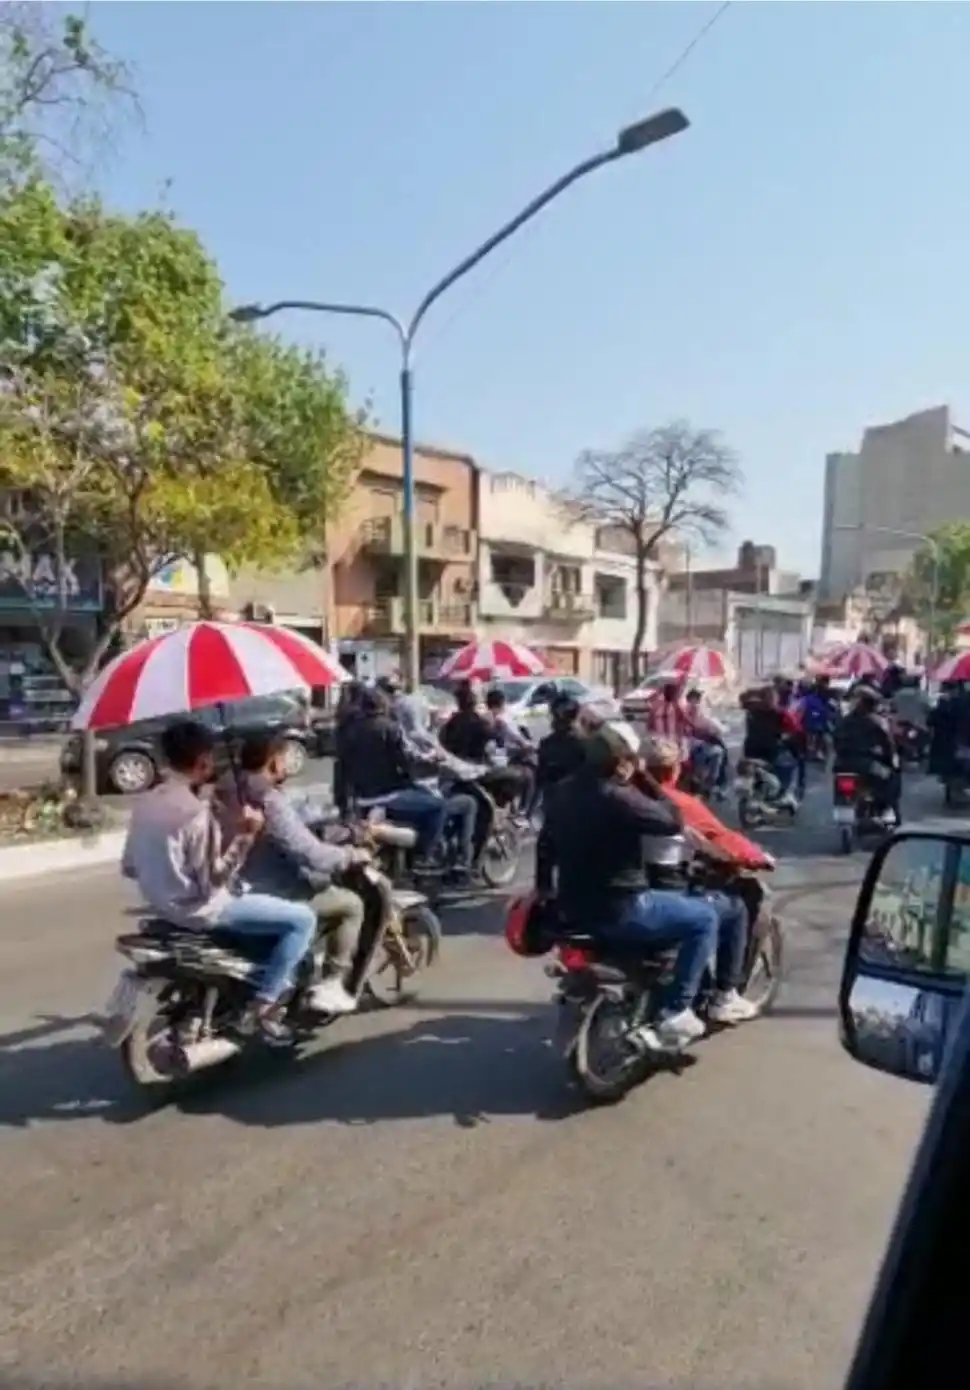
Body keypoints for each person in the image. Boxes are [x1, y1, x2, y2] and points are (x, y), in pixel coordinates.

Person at [121, 719, 316, 1040]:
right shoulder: (194, 813)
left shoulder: (144, 802)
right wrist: (246, 836)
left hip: (159, 906)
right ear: (202, 761)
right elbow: (212, 881)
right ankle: (266, 1003)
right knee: (303, 920)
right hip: (202, 910)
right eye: (210, 757)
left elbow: (129, 866)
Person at [538, 721, 718, 1048]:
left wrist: (543, 890)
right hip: (623, 909)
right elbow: (671, 820)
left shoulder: (561, 792)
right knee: (705, 918)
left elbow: (545, 846)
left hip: (572, 911)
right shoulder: (619, 797)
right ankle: (676, 1010)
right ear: (621, 763)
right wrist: (644, 779)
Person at [214, 731, 370, 1015]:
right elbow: (310, 853)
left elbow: (298, 818)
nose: (288, 764)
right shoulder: (267, 800)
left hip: (226, 885)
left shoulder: (226, 790)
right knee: (350, 904)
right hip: (268, 890)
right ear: (273, 761)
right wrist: (350, 855)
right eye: (284, 757)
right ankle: (332, 985)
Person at [642, 737, 775, 1024]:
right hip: (663, 894)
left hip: (625, 890)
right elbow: (720, 840)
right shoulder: (678, 804)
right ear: (675, 769)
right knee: (736, 907)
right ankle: (723, 996)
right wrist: (756, 858)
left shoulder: (621, 797)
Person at [340, 687, 476, 874]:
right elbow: (406, 759)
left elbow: (341, 772)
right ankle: (424, 857)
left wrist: (344, 808)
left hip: (363, 799)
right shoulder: (390, 728)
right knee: (439, 806)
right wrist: (428, 760)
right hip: (391, 795)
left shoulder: (348, 732)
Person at [439, 680, 525, 810]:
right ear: (473, 703)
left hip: (454, 770)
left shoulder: (451, 722)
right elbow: (498, 741)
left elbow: (442, 742)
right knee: (518, 775)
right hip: (475, 770)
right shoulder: (478, 722)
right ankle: (499, 806)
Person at [833, 685, 901, 825]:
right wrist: (890, 760)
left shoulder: (843, 722)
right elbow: (888, 746)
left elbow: (835, 742)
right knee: (891, 778)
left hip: (842, 765)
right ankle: (885, 810)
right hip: (868, 765)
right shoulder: (877, 722)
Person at [742, 684, 801, 807]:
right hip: (770, 751)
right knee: (789, 764)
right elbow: (796, 729)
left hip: (750, 750)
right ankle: (783, 793)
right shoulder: (781, 713)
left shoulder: (752, 711)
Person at [536, 693, 587, 794]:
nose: (554, 720)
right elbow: (540, 779)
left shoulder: (582, 744)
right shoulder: (547, 744)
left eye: (556, 716)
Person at [683, 688, 729, 796]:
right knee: (719, 752)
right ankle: (713, 783)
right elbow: (712, 726)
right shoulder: (694, 710)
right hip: (692, 746)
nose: (696, 703)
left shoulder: (684, 710)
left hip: (686, 745)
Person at [333, 680, 366, 817]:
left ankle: (344, 812)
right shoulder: (358, 712)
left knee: (344, 788)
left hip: (342, 754)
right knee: (355, 788)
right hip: (355, 754)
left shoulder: (342, 710)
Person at [643, 678, 691, 754]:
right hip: (670, 744)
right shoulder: (676, 707)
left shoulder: (656, 707)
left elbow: (649, 727)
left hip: (660, 745)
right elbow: (684, 725)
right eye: (677, 693)